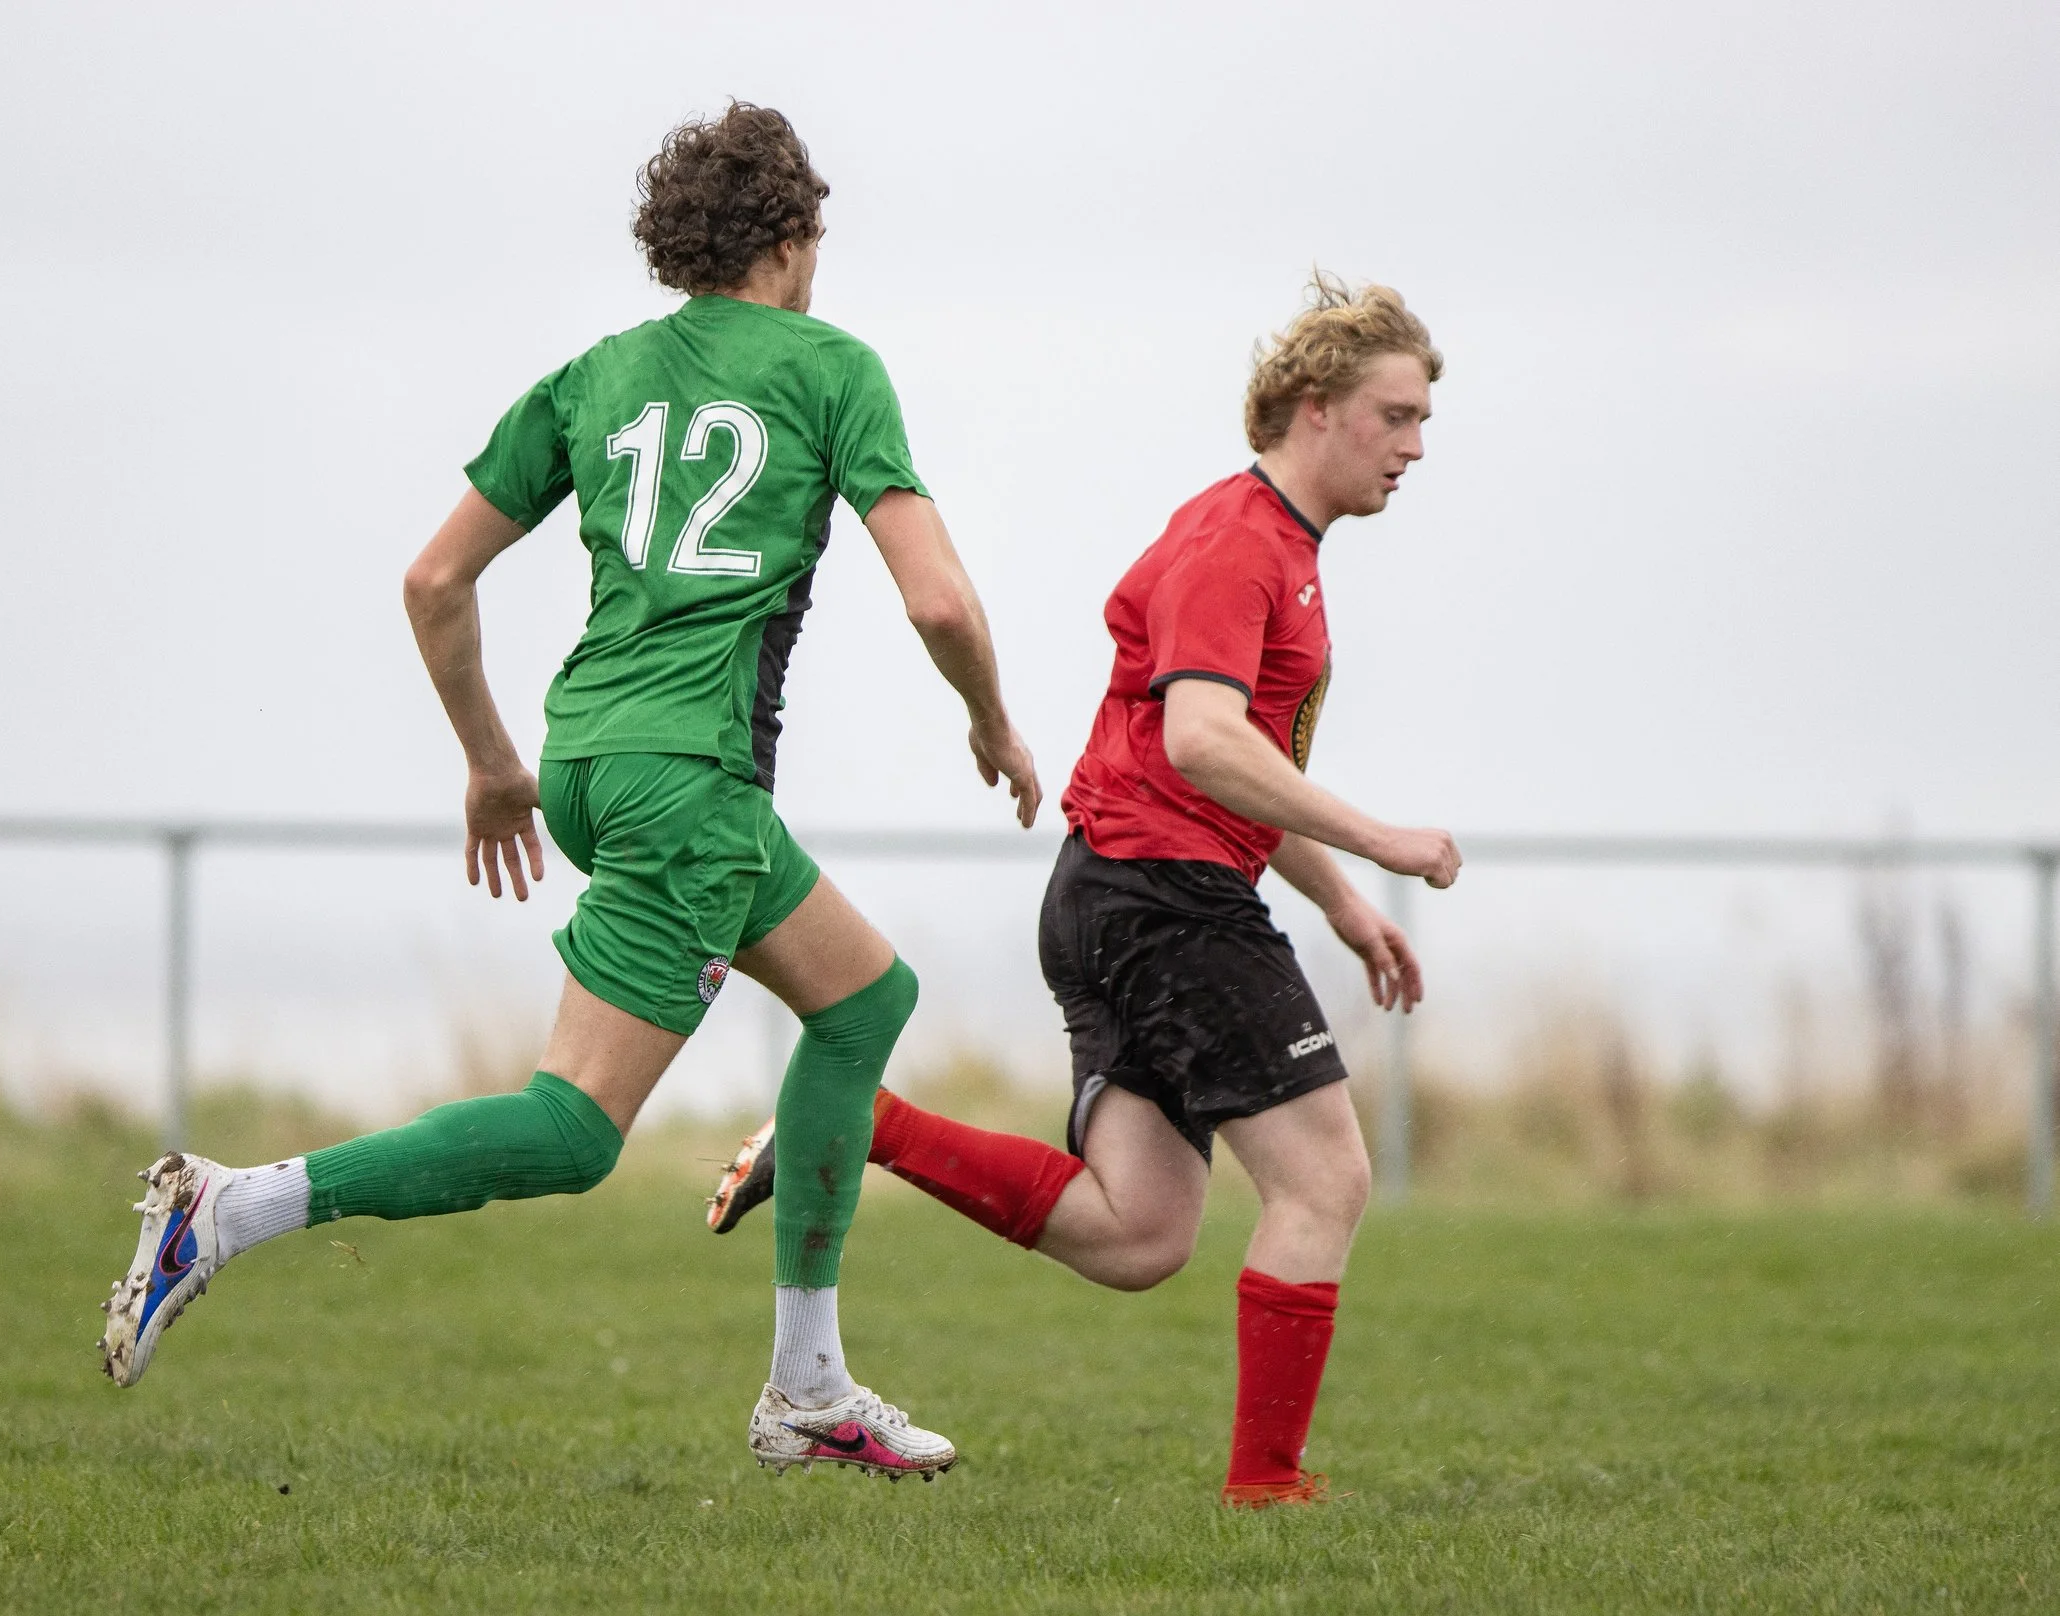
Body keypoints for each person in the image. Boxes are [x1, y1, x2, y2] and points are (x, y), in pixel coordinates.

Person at [95, 102, 1041, 1482]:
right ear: (794, 237)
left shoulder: (595, 378)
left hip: (591, 759)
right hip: (690, 785)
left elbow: (433, 580)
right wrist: (994, 722)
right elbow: (942, 599)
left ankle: (808, 1383)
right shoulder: (834, 369)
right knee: (572, 1130)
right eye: (819, 235)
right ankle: (230, 1209)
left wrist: (490, 762)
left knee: (864, 997)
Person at [706, 277, 1458, 1506]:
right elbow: (1205, 744)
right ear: (1316, 408)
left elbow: (1237, 773)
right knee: (1325, 1181)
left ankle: (864, 1127)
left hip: (1125, 891)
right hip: (1164, 901)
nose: (1416, 446)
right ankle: (1266, 1488)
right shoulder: (1237, 545)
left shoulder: (1271, 544)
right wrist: (1379, 841)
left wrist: (1340, 902)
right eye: (1398, 415)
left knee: (1141, 1233)